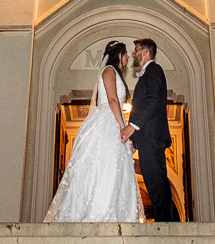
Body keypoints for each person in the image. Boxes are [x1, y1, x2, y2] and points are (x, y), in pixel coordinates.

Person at [44, 41, 142, 222]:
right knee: (102, 166)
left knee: (115, 169)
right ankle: (97, 213)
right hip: (107, 122)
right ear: (118, 54)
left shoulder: (115, 73)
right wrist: (123, 128)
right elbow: (113, 100)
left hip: (114, 121)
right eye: (125, 53)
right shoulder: (109, 70)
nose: (128, 56)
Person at [121, 38, 181, 222]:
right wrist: (136, 141)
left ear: (145, 52)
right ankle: (170, 221)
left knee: (156, 181)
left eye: (136, 50)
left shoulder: (154, 70)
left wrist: (132, 126)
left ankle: (166, 223)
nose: (133, 54)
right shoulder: (147, 74)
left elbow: (153, 102)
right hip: (147, 138)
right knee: (154, 181)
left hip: (153, 138)